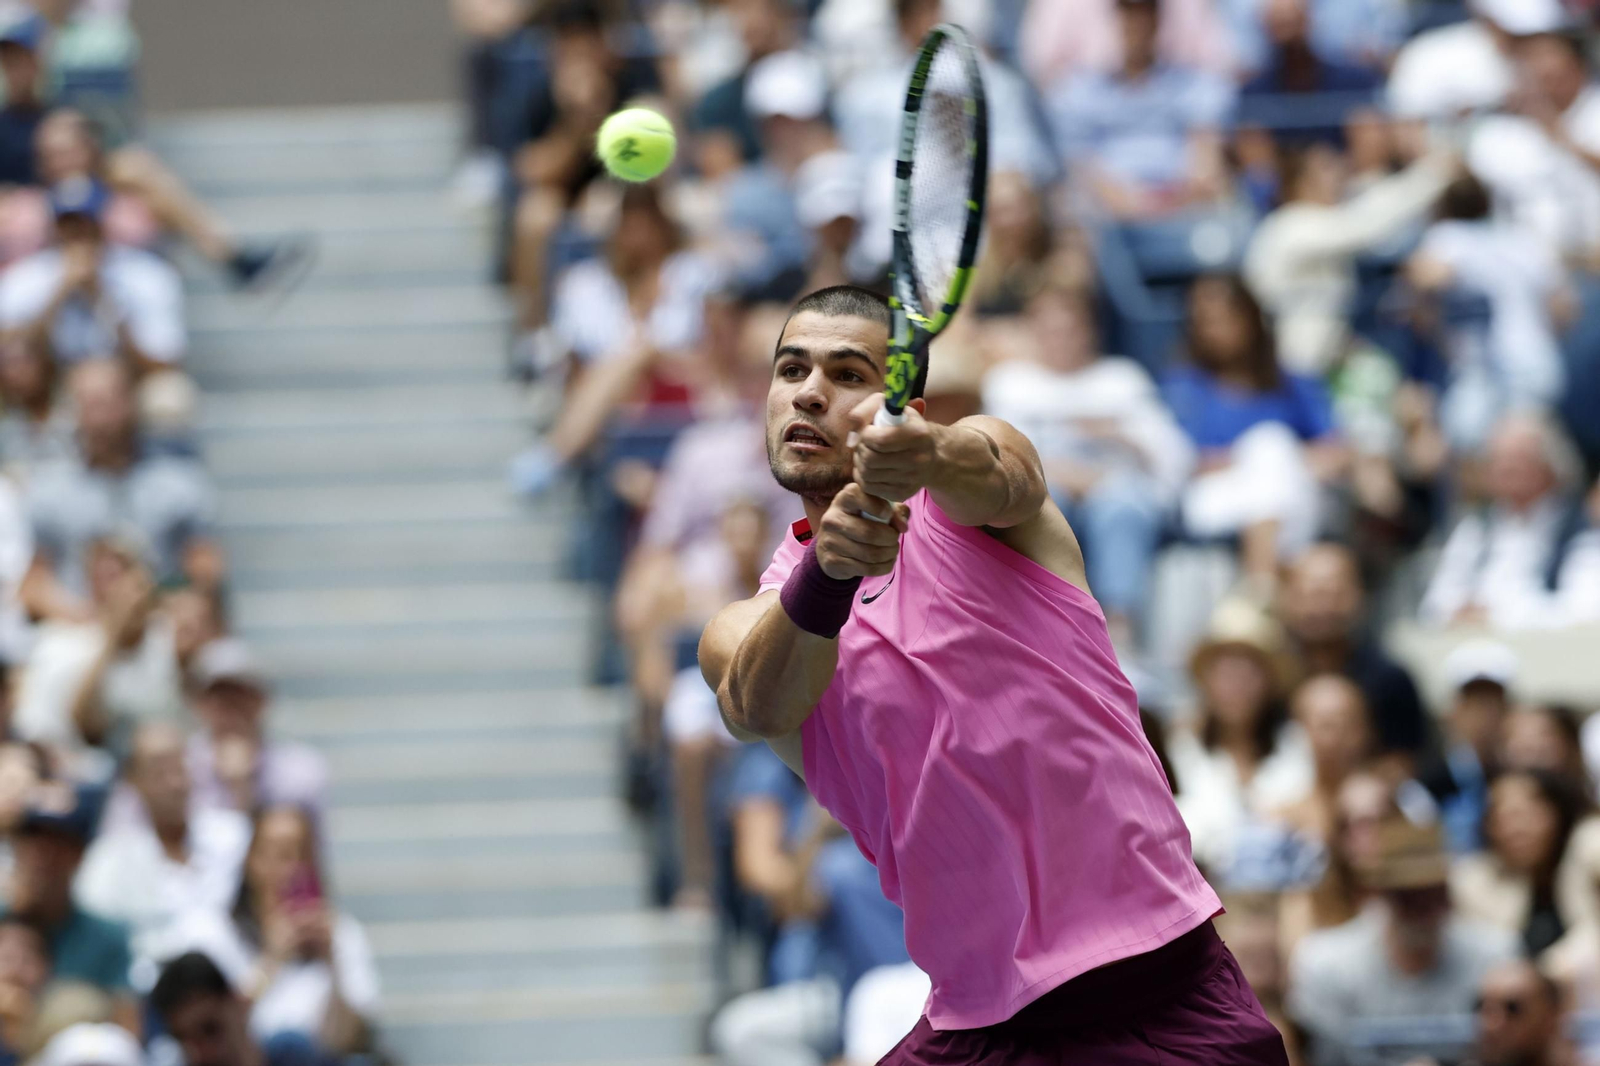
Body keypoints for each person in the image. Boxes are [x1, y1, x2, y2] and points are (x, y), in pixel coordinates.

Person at [699, 286, 1288, 1063]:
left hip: (1164, 997)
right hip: (981, 1029)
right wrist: (829, 572)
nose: (809, 391)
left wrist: (931, 452)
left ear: (901, 398)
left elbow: (1000, 470)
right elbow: (758, 698)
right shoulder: (753, 621)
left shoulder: (977, 490)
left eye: (847, 373)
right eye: (790, 369)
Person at [980, 285, 1193, 645]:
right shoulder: (1011, 382)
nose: (1061, 339)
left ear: (1090, 330)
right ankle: (1044, 628)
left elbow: (1173, 455)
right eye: (1050, 330)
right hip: (1046, 486)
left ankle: (1119, 633)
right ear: (1033, 332)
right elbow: (998, 455)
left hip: (1119, 486)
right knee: (1043, 504)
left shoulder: (1122, 378)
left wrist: (1120, 437)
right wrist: (1065, 474)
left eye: (1070, 329)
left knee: (1119, 506)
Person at [1287, 817, 1518, 1066]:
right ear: (1380, 893)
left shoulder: (1494, 957)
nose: (1423, 906)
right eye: (1408, 894)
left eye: (1432, 891)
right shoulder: (1326, 965)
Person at [1161, 275, 1342, 584]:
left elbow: (1335, 453)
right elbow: (1181, 463)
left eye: (1226, 318)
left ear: (1251, 318)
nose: (1216, 331)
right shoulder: (1182, 387)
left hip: (1294, 489)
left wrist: (1279, 459)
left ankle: (1261, 589)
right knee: (1269, 448)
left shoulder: (1292, 382)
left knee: (1273, 454)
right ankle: (1271, 588)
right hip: (1213, 499)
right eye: (1205, 322)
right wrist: (1257, 458)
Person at [162, 807, 376, 1058]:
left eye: (302, 854)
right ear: (251, 860)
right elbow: (207, 1032)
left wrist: (332, 965)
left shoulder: (342, 934)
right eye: (279, 854)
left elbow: (348, 1042)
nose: (291, 868)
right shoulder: (212, 933)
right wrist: (272, 961)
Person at [19, 359, 221, 622]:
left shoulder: (179, 484)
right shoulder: (48, 492)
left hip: (163, 629)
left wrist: (161, 607)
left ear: (131, 402)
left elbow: (204, 568)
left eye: (107, 402)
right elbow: (33, 584)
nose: (100, 418)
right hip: (80, 635)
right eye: (88, 404)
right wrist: (83, 619)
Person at [1243, 137, 1456, 376]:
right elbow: (1361, 224)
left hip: (1326, 357)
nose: (1338, 176)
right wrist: (1435, 172)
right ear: (1301, 182)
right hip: (1288, 363)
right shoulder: (1290, 225)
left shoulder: (1317, 222)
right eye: (1326, 169)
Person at [1406, 174, 1568, 452]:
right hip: (1535, 361)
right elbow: (1564, 309)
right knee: (1519, 460)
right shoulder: (1524, 237)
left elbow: (1423, 277)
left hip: (1484, 373)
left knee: (1480, 456)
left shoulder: (1448, 237)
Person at [73, 721, 251, 968]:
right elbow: (95, 941)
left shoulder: (236, 837)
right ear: (133, 780)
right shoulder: (109, 861)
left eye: (179, 767)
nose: (174, 783)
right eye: (159, 772)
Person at [1046, 0, 1235, 221]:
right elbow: (1080, 164)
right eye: (1129, 13)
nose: (1138, 23)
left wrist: (1179, 197)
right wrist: (1126, 203)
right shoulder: (1081, 92)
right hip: (1107, 219)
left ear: (1158, 19)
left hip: (1184, 211)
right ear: (1116, 18)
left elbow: (1206, 156)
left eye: (1146, 13)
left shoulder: (1193, 86)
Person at [1419, 410, 1600, 630]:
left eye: (1519, 459)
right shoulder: (1476, 529)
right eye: (1497, 459)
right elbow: (1435, 605)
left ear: (1551, 466)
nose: (1506, 468)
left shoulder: (1582, 529)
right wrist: (1460, 612)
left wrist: (1496, 616)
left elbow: (1584, 611)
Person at [1166, 598, 1309, 874]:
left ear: (1269, 682)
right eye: (1226, 672)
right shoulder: (1177, 746)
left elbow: (1311, 818)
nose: (1237, 685)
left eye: (1249, 673)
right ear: (1206, 680)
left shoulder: (1294, 743)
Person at [12, 531, 183, 758]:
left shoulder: (169, 634)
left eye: (121, 576)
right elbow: (82, 724)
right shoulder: (58, 642)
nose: (115, 590)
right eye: (102, 577)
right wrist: (113, 637)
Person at [0, 177, 185, 372]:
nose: (80, 233)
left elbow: (165, 362)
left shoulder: (147, 274)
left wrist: (100, 297)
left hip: (124, 381)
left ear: (103, 224)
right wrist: (60, 293)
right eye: (69, 225)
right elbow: (9, 352)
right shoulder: (24, 276)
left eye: (88, 224)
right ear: (55, 229)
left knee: (167, 394)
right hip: (49, 383)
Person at [1277, 543, 1430, 767]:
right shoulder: (1272, 677)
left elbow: (1404, 763)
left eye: (1334, 593)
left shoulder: (1390, 680)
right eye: (1312, 594)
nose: (1322, 606)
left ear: (1359, 597)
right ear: (1287, 599)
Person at [2, 784, 137, 1030]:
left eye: (57, 842)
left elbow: (126, 1035)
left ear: (79, 854)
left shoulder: (108, 939)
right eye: (33, 840)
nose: (42, 855)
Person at [1450, 769, 1598, 959]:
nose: (1516, 830)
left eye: (1525, 814)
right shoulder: (1475, 880)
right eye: (1503, 818)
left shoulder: (1589, 846)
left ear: (1557, 812)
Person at [183, 641, 325, 824]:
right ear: (199, 704)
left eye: (240, 696)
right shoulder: (180, 768)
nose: (231, 708)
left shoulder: (302, 771)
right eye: (220, 697)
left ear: (262, 700)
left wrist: (243, 788)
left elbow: (306, 847)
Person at [1415, 640, 1520, 854]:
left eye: (1494, 702)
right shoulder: (1428, 777)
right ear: (1454, 709)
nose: (1485, 714)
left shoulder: (1520, 773)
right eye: (1473, 702)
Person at [150, 951, 333, 1066]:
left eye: (210, 1029)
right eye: (183, 1040)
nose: (200, 1054)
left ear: (239, 1004)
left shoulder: (292, 1052)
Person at [0, 9, 49, 188]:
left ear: (36, 63)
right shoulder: (2, 124)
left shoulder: (56, 120)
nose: (15, 71)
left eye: (21, 60)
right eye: (8, 61)